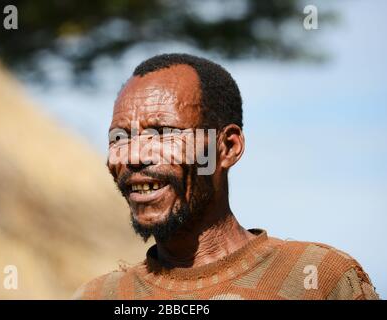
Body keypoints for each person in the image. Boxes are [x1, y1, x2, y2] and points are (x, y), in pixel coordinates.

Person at [74, 53, 379, 300]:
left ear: (228, 148)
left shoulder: (316, 279)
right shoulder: (98, 296)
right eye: (119, 138)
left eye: (164, 134)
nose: (133, 156)